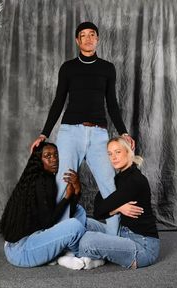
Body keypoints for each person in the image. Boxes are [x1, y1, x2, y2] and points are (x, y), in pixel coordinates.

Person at [31, 21, 135, 235]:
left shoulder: (107, 68)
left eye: (92, 35)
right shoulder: (68, 68)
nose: (88, 39)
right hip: (71, 133)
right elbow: (58, 101)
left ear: (97, 39)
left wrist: (123, 131)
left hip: (98, 135)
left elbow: (112, 103)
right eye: (83, 35)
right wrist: (44, 133)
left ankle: (113, 240)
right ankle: (61, 240)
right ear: (78, 40)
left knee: (109, 187)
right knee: (63, 185)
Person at [0, 142, 88, 268]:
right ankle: (71, 254)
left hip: (17, 245)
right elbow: (48, 222)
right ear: (39, 160)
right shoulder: (43, 181)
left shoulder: (42, 177)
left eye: (56, 155)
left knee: (79, 211)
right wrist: (67, 197)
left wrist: (77, 191)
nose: (54, 160)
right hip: (22, 252)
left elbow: (61, 213)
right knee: (74, 226)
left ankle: (60, 255)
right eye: (48, 156)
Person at [78, 136, 160, 269]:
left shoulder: (134, 180)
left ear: (128, 152)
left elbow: (100, 211)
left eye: (118, 152)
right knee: (83, 222)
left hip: (143, 248)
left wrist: (111, 207)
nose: (113, 157)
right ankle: (101, 255)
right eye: (110, 154)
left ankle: (95, 256)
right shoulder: (119, 177)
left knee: (88, 241)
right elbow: (98, 205)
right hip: (123, 233)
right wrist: (118, 208)